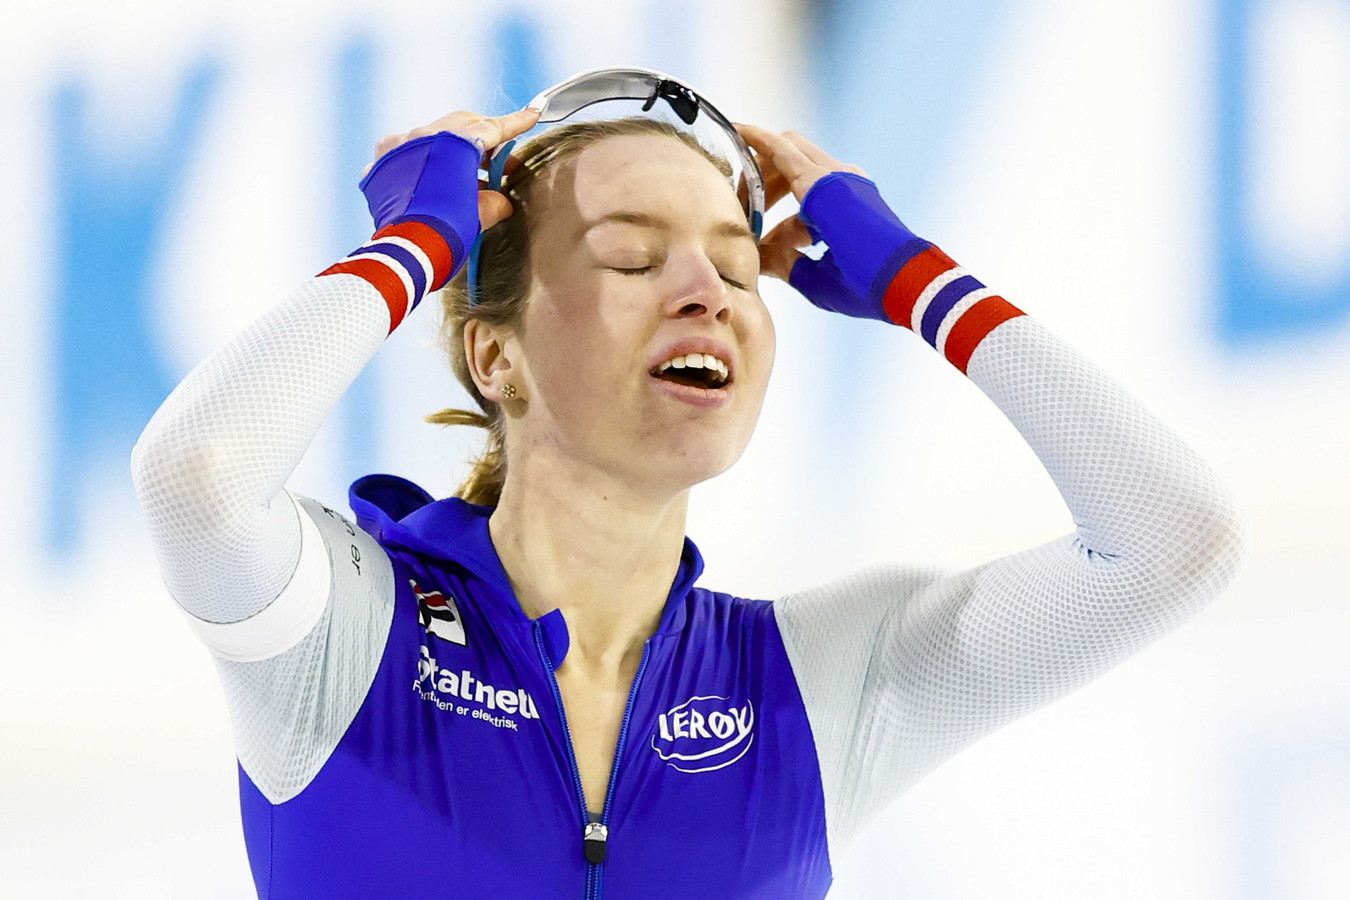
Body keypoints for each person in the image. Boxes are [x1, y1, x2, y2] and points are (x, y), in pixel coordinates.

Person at [131, 69, 1251, 899]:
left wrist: (925, 284)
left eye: (735, 265)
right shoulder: (346, 632)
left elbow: (1179, 542)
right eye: (630, 256)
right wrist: (414, 244)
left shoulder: (817, 686)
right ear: (496, 354)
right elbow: (195, 475)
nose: (704, 291)